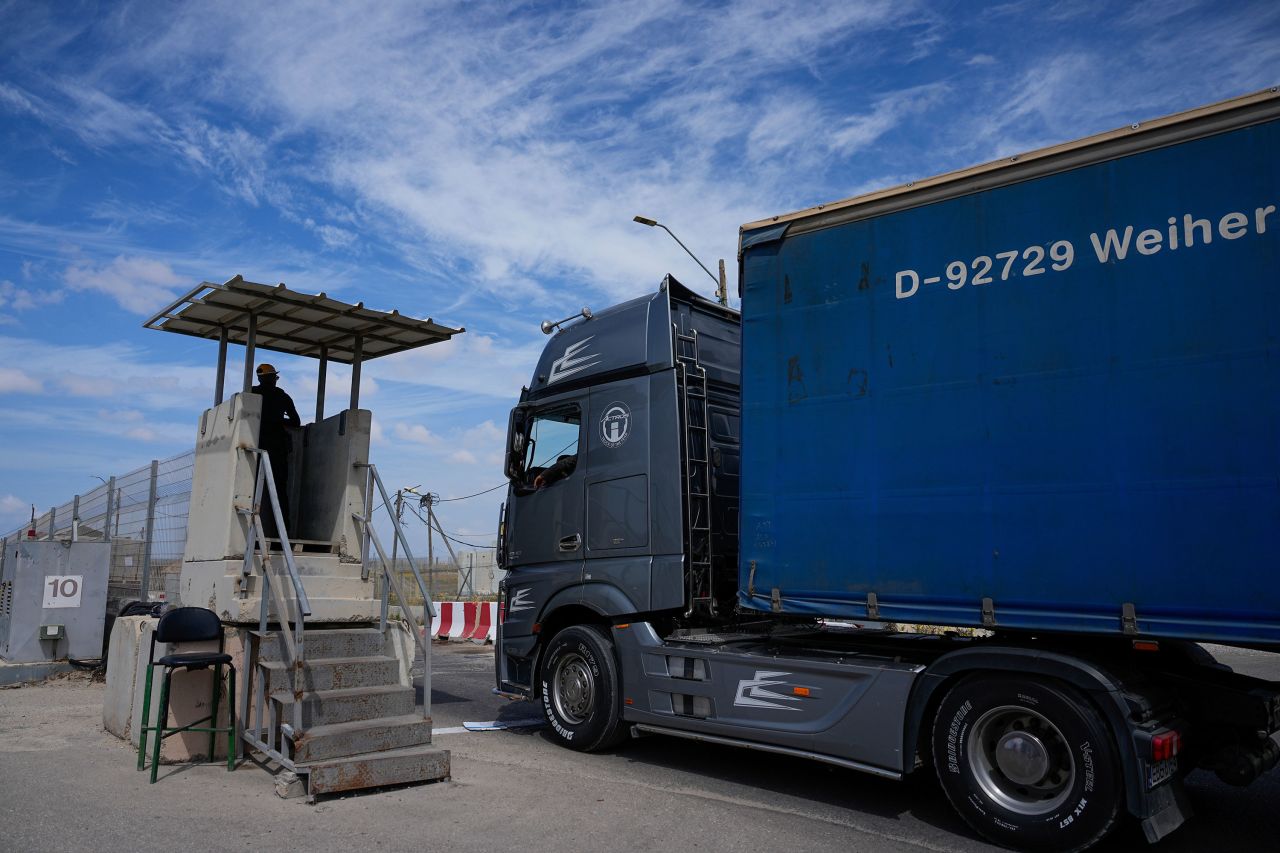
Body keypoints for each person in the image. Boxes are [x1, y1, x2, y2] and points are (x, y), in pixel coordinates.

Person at [251, 363, 302, 541]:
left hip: (255, 448)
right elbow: (295, 422)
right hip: (277, 450)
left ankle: (250, 533)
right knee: (279, 491)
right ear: (272, 378)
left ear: (259, 378)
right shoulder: (282, 396)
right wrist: (279, 421)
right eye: (275, 377)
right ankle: (283, 534)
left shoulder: (251, 393)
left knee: (250, 489)